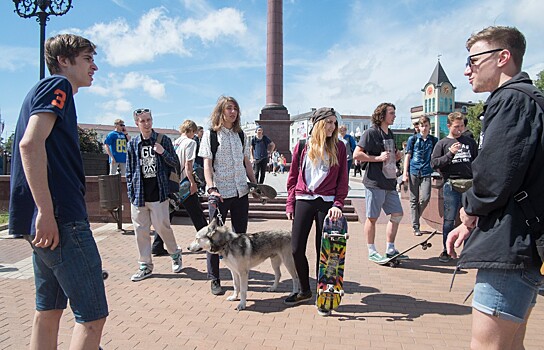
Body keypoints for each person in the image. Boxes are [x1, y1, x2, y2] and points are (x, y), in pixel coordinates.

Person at [447, 26, 544, 350]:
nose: (466, 69)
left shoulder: (511, 101)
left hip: (508, 244)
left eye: (473, 60)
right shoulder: (528, 100)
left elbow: (494, 177)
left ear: (503, 57)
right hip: (521, 240)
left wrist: (469, 211)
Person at [8, 34, 108, 349]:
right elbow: (30, 143)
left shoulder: (42, 91)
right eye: (87, 58)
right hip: (62, 219)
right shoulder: (58, 86)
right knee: (92, 317)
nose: (95, 66)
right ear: (64, 60)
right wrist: (46, 212)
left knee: (48, 311)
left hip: (45, 220)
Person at [285, 107, 348, 314]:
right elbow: (293, 177)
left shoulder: (339, 147)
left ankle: (324, 295)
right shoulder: (302, 146)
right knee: (295, 249)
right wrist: (290, 203)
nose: (332, 126)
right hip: (304, 199)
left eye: (334, 123)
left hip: (327, 203)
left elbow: (342, 180)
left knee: (326, 252)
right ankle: (305, 290)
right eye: (328, 122)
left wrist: (338, 204)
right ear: (319, 124)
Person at [198, 96, 257, 295]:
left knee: (240, 237)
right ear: (221, 111)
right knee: (214, 237)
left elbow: (246, 161)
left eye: (235, 109)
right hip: (220, 193)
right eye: (228, 108)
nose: (232, 112)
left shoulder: (240, 135)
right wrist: (211, 188)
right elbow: (207, 163)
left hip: (241, 191)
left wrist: (255, 184)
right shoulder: (211, 135)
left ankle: (240, 273)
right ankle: (214, 278)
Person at [126, 108, 183, 282]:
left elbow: (175, 162)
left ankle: (175, 253)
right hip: (139, 194)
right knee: (141, 231)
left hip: (159, 193)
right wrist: (130, 191)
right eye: (142, 121)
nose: (147, 123)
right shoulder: (133, 144)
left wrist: (162, 152)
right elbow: (129, 170)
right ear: (137, 123)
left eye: (149, 120)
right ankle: (145, 265)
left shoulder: (162, 140)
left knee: (162, 227)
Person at [353, 103, 404, 263]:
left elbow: (390, 155)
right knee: (372, 217)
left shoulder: (390, 133)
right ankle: (371, 250)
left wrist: (397, 156)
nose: (394, 116)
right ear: (382, 115)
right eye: (391, 113)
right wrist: (377, 158)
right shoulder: (371, 133)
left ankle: (390, 248)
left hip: (390, 181)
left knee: (397, 214)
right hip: (374, 182)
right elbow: (357, 154)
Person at [151, 120, 208, 257]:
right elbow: (188, 166)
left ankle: (157, 245)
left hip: (172, 183)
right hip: (184, 184)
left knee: (168, 214)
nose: (195, 135)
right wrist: (193, 183)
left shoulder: (175, 142)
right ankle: (207, 241)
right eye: (194, 132)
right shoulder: (191, 143)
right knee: (197, 215)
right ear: (192, 131)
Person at [431, 112, 478, 262]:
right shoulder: (442, 143)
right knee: (449, 219)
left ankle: (467, 252)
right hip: (451, 184)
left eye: (462, 126)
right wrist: (450, 154)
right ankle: (446, 250)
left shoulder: (470, 142)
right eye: (457, 126)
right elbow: (434, 163)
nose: (460, 129)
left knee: (469, 219)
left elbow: (477, 161)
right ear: (449, 126)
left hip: (469, 184)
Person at [402, 116, 438, 236]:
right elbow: (407, 156)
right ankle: (415, 226)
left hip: (427, 171)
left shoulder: (433, 140)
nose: (424, 128)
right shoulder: (413, 139)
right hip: (414, 170)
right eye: (422, 126)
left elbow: (436, 156)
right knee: (413, 199)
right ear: (418, 127)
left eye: (426, 125)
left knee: (425, 198)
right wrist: (404, 173)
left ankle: (416, 216)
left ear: (429, 127)